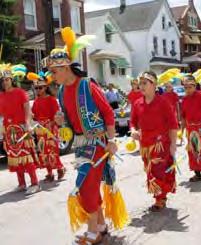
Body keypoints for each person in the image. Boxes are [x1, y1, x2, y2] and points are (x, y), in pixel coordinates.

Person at [48, 27, 128, 244]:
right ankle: (100, 226)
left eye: (54, 72)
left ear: (65, 68)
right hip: (82, 144)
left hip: (99, 142)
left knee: (85, 185)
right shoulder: (63, 93)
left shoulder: (87, 85)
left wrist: (112, 140)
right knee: (89, 184)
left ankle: (93, 230)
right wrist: (60, 121)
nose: (52, 77)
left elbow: (108, 113)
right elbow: (70, 121)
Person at [130, 71, 178, 211]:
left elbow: (173, 124)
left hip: (161, 145)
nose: (141, 86)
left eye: (145, 83)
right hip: (145, 146)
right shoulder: (137, 103)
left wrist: (173, 144)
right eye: (140, 83)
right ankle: (160, 195)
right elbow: (133, 122)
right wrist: (133, 131)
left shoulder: (163, 102)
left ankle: (160, 198)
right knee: (150, 171)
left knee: (158, 171)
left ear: (154, 84)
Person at [0, 64, 41, 195]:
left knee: (26, 157)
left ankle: (35, 183)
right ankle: (22, 183)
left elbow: (27, 111)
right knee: (14, 158)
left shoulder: (20, 93)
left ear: (11, 79)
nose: (5, 82)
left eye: (7, 79)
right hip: (9, 130)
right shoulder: (1, 96)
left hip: (22, 128)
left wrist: (28, 124)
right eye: (3, 80)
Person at [29, 72, 66, 182]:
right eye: (36, 88)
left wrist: (52, 123)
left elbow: (56, 115)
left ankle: (60, 168)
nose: (38, 90)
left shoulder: (52, 100)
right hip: (40, 130)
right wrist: (32, 117)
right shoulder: (36, 101)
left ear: (45, 87)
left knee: (52, 151)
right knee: (43, 152)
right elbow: (34, 116)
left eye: (40, 87)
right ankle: (49, 173)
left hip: (51, 129)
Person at [181, 75, 201, 181]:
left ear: (195, 86)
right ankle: (197, 173)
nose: (188, 89)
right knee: (193, 151)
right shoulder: (184, 99)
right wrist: (181, 130)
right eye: (185, 87)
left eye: (190, 87)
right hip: (190, 129)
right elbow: (183, 116)